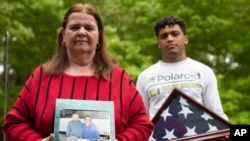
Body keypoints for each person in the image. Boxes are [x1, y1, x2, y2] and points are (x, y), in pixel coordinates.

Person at [3, 3, 154, 141]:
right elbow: (14, 123)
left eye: (89, 28)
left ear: (99, 36)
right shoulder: (41, 76)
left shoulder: (120, 79)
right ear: (63, 34)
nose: (82, 32)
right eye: (75, 27)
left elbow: (142, 125)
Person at [136, 15, 228, 121]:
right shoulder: (145, 76)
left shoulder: (204, 72)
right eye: (164, 36)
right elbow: (141, 119)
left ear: (185, 39)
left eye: (175, 34)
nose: (170, 39)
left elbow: (216, 112)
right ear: (159, 44)